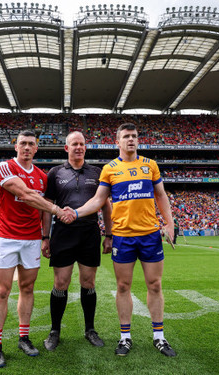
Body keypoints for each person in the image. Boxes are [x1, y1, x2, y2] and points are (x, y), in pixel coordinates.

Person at [62, 123, 177, 357]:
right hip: (123, 236)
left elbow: (161, 195)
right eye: (126, 136)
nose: (131, 140)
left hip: (149, 235)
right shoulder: (110, 169)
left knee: (154, 285)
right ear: (118, 141)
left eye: (134, 136)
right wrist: (75, 212)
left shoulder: (150, 165)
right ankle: (125, 337)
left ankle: (159, 337)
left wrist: (170, 223)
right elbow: (97, 201)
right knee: (123, 286)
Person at [0, 130, 70, 368]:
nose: (26, 147)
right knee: (3, 290)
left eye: (31, 144)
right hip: (7, 237)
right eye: (22, 143)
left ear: (36, 149)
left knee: (27, 288)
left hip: (32, 239)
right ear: (16, 146)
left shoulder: (42, 177)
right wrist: (58, 210)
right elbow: (24, 194)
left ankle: (23, 338)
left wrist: (46, 237)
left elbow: (43, 210)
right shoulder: (4, 168)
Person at [41, 131, 113, 351]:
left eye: (82, 144)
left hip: (89, 231)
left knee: (88, 282)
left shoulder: (97, 172)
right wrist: (45, 237)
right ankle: (55, 331)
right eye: (74, 144)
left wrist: (109, 235)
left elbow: (106, 205)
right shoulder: (55, 173)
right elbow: (46, 206)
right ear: (66, 148)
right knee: (60, 282)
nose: (79, 147)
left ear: (85, 147)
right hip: (63, 232)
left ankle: (90, 329)